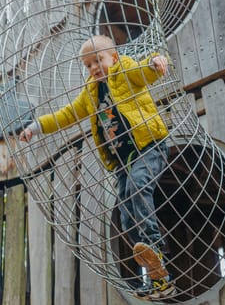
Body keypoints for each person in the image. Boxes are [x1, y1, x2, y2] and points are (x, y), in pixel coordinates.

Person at [19, 35, 176, 299]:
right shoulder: (90, 92)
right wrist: (36, 127)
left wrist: (155, 62)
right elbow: (67, 114)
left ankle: (156, 247)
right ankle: (159, 277)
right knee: (127, 216)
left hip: (148, 147)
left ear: (112, 58)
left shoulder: (123, 70)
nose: (93, 68)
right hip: (123, 163)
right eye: (88, 65)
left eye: (98, 60)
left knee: (138, 189)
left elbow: (143, 72)